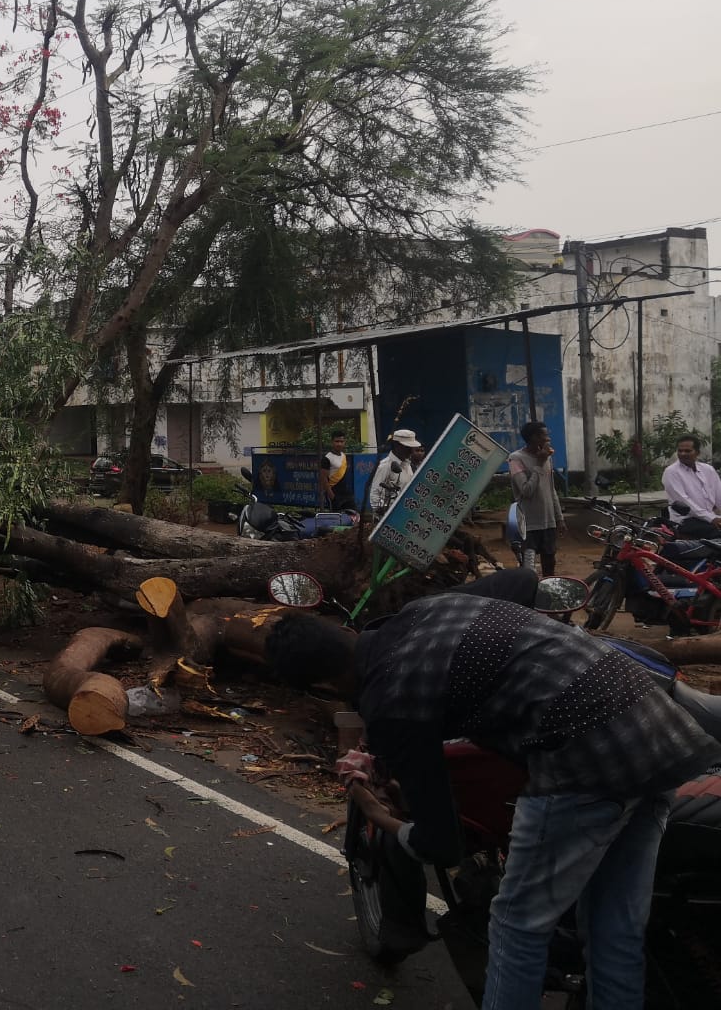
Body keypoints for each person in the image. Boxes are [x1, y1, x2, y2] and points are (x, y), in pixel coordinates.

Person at [265, 587, 721, 1010]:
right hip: (661, 730)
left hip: (588, 760)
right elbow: (522, 579)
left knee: (516, 923)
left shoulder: (392, 698)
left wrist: (376, 814)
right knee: (614, 926)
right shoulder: (426, 609)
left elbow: (441, 845)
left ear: (323, 686)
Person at [508, 421, 564, 576]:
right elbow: (526, 490)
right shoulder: (515, 459)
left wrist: (559, 518)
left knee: (549, 566)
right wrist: (539, 465)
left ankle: (547, 597)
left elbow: (551, 490)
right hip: (528, 525)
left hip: (548, 522)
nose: (548, 439)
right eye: (545, 436)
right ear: (533, 437)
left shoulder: (546, 458)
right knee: (528, 569)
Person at [661, 433, 721, 540]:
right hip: (685, 520)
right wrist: (711, 518)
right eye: (680, 451)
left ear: (697, 452)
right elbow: (686, 503)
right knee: (716, 533)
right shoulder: (671, 472)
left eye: (688, 451)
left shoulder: (708, 470)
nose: (683, 454)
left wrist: (713, 517)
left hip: (708, 517)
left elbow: (719, 497)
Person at [366, 428, 420, 516]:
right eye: (407, 447)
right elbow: (375, 494)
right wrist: (384, 514)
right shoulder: (385, 466)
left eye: (412, 448)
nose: (411, 451)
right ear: (396, 445)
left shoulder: (407, 465)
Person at [324, 430, 356, 512]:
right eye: (337, 441)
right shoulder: (327, 458)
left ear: (344, 442)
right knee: (336, 519)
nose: (339, 444)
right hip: (334, 493)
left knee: (353, 515)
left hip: (345, 494)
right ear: (332, 442)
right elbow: (323, 480)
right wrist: (332, 497)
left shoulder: (343, 456)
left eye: (341, 441)